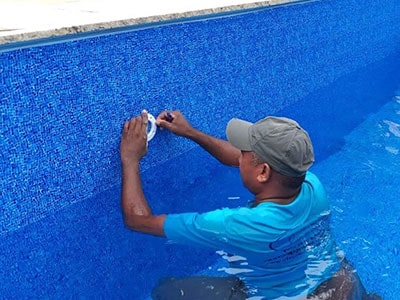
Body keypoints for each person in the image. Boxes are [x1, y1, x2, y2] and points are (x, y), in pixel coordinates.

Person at [120, 110, 379, 300]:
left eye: (244, 151)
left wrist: (131, 159)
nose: (238, 154)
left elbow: (137, 220)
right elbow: (243, 161)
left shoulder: (237, 225)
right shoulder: (311, 184)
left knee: (166, 290)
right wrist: (191, 133)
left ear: (263, 172)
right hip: (342, 284)